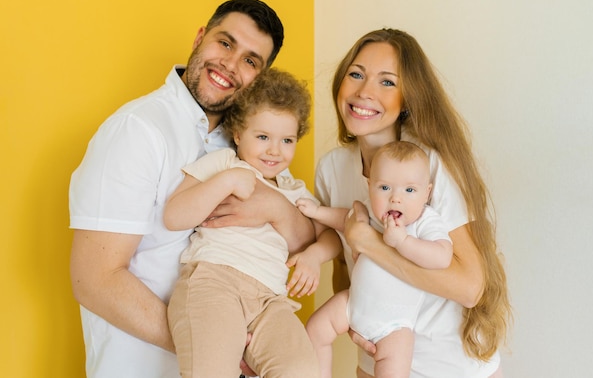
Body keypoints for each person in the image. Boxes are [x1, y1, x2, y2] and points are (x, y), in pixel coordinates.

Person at [69, 0, 315, 378]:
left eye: (250, 61)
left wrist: (278, 208)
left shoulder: (247, 145)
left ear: (260, 79)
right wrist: (214, 344)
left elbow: (298, 246)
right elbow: (94, 279)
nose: (231, 65)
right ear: (201, 38)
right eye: (225, 43)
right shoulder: (139, 130)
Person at [312, 28, 511, 378]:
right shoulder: (331, 168)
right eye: (356, 74)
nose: (364, 91)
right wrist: (356, 324)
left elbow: (469, 287)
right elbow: (345, 271)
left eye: (387, 82)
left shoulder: (433, 166)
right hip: (377, 362)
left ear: (407, 99)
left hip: (448, 365)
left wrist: (370, 242)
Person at [165, 68, 336, 378]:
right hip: (214, 281)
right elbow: (174, 214)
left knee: (302, 369)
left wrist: (314, 256)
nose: (275, 150)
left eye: (287, 139)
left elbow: (331, 238)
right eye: (262, 137)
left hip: (270, 299)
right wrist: (228, 180)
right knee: (211, 370)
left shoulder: (294, 190)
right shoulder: (224, 164)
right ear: (238, 134)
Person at [298, 140, 453, 378]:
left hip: (394, 326)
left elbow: (442, 256)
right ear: (370, 185)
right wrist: (317, 212)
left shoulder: (424, 221)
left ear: (427, 193)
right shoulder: (370, 209)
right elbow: (345, 220)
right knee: (315, 330)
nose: (395, 198)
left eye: (409, 190)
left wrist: (403, 242)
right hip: (353, 303)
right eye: (384, 188)